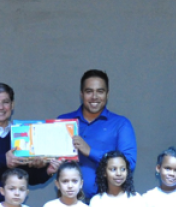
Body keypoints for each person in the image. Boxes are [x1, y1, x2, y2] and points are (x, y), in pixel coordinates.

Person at [55, 70, 137, 200]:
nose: (94, 96)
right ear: (81, 94)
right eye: (89, 91)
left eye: (100, 91)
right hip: (68, 204)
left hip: (106, 203)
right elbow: (52, 158)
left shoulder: (121, 124)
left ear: (107, 94)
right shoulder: (63, 121)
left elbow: (129, 164)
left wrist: (90, 151)